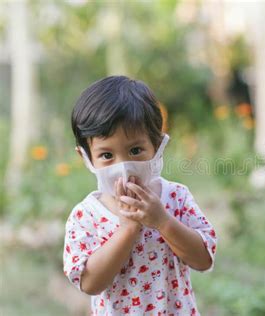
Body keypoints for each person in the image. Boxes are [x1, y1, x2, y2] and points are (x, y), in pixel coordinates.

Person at [63, 76, 217, 315]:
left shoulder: (176, 198)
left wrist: (162, 221)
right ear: (85, 156)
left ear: (157, 146)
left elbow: (203, 260)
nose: (123, 166)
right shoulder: (86, 216)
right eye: (106, 155)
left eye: (135, 150)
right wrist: (127, 229)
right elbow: (90, 283)